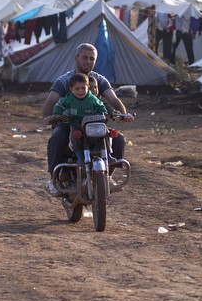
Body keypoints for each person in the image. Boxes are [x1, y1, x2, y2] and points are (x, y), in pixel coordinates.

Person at [41, 43, 133, 196]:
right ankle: (54, 179)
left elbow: (113, 100)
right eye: (85, 57)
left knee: (118, 139)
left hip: (94, 125)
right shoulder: (64, 80)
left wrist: (123, 114)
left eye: (92, 59)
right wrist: (48, 117)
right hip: (70, 124)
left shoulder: (100, 80)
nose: (88, 61)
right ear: (76, 58)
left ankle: (107, 176)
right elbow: (51, 101)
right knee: (57, 137)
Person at [53, 73, 110, 156]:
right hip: (76, 125)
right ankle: (79, 156)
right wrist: (57, 115)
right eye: (77, 89)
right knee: (74, 135)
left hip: (92, 124)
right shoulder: (68, 99)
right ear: (71, 89)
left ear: (88, 87)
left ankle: (108, 154)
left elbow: (100, 106)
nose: (80, 91)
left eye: (83, 88)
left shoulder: (92, 99)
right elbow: (59, 105)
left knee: (106, 132)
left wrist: (104, 113)